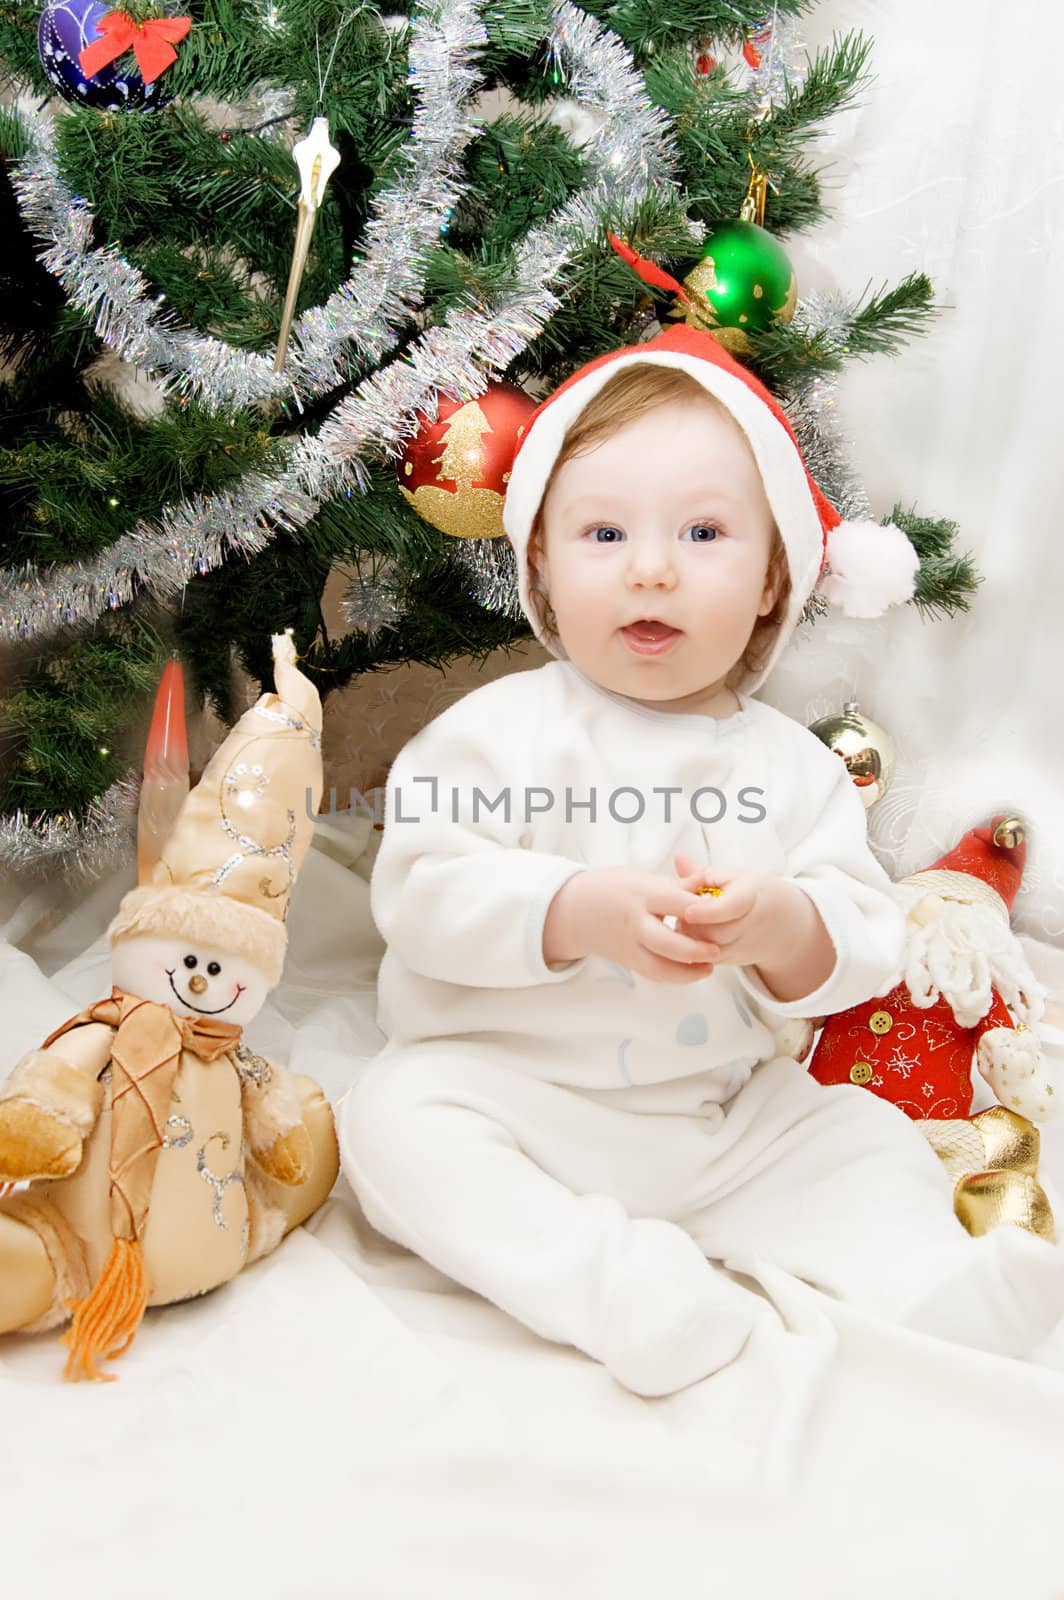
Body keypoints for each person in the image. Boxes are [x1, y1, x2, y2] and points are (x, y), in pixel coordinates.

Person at [339, 326, 1064, 1396]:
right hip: (510, 1096)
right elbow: (420, 890)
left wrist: (782, 928)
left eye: (702, 530)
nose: (649, 566)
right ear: (538, 563)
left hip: (717, 1113)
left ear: (774, 577)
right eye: (600, 532)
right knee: (392, 1124)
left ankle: (935, 1287)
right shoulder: (496, 733)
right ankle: (624, 1291)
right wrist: (573, 909)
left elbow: (864, 942)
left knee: (857, 1139)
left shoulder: (790, 769)